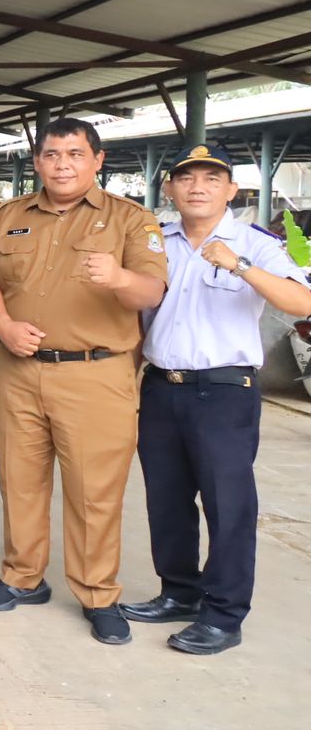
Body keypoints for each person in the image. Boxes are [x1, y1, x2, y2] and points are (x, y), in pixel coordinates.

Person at [0, 118, 167, 645]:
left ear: (97, 160)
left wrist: (120, 278)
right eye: (52, 154)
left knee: (94, 491)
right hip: (19, 370)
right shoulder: (9, 216)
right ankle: (22, 577)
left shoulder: (130, 219)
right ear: (37, 161)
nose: (63, 164)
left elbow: (151, 292)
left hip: (95, 373)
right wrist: (4, 326)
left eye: (75, 154)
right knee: (21, 479)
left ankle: (98, 593)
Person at [120, 144, 311, 655]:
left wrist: (240, 265)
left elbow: (302, 301)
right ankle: (178, 593)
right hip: (162, 386)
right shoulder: (155, 242)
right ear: (171, 188)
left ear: (231, 189)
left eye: (211, 178)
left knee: (228, 506)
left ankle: (224, 615)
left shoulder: (256, 243)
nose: (197, 187)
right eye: (187, 178)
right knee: (166, 499)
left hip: (225, 391)